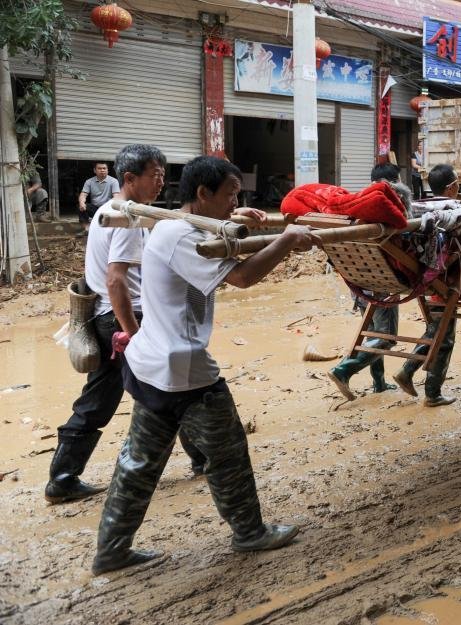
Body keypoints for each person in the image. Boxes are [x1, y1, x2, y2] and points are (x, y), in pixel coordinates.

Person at [91, 156, 315, 575]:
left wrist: (248, 222)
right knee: (227, 452)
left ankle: (112, 549)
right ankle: (249, 532)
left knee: (138, 463)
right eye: (230, 194)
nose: (235, 201)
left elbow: (225, 238)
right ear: (202, 194)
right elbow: (244, 277)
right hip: (183, 368)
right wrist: (285, 241)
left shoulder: (179, 224)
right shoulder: (181, 236)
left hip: (151, 364)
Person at [45, 144, 208, 504]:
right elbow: (115, 280)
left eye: (164, 174)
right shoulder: (126, 218)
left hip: (110, 318)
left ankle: (63, 477)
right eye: (156, 174)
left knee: (110, 398)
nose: (162, 181)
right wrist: (133, 334)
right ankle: (202, 459)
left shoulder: (117, 211)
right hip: (126, 317)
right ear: (130, 178)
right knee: (173, 387)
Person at [328, 162, 406, 399]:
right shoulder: (388, 209)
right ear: (393, 182)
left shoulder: (354, 206)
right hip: (383, 284)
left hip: (359, 284)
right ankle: (343, 369)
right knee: (387, 337)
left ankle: (379, 383)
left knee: (374, 335)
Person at [392, 163, 460, 407]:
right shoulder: (456, 209)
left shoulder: (418, 207)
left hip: (422, 279)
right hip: (445, 281)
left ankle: (408, 372)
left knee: (437, 327)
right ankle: (432, 392)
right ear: (452, 187)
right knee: (445, 334)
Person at [79, 162, 120, 230]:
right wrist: (81, 202)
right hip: (95, 208)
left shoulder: (113, 181)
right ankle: (86, 229)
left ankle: (110, 228)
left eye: (104, 168)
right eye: (99, 168)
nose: (102, 170)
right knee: (81, 206)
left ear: (107, 170)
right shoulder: (89, 181)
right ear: (94, 170)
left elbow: (116, 196)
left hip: (107, 208)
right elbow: (83, 194)